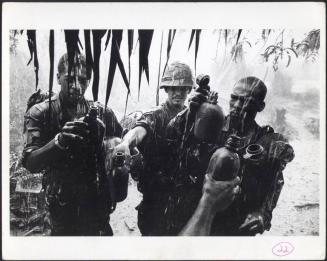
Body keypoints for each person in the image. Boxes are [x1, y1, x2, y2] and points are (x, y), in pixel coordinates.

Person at [166, 76, 294, 236]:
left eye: (246, 101)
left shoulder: (267, 142)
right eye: (234, 99)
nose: (237, 106)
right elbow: (173, 136)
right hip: (198, 217)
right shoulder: (211, 123)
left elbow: (275, 181)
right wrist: (190, 112)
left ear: (260, 106)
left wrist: (263, 213)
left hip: (236, 226)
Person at [22, 53, 123, 236]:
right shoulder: (41, 113)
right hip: (60, 211)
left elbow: (123, 148)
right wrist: (59, 142)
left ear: (89, 81)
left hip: (96, 209)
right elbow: (30, 162)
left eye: (83, 80)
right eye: (70, 79)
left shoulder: (103, 112)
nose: (77, 86)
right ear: (58, 78)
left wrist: (109, 148)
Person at [114, 61, 207, 236]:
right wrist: (126, 143)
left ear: (189, 90)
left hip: (183, 201)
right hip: (155, 200)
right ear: (166, 89)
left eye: (183, 88)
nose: (178, 93)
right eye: (173, 88)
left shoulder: (195, 118)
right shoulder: (155, 116)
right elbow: (138, 131)